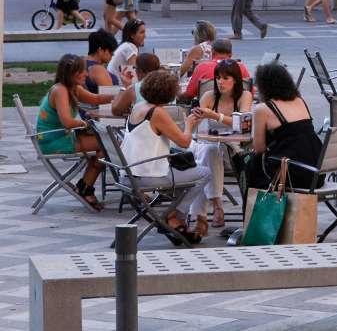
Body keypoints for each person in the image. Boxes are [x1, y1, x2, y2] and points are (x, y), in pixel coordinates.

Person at [121, 70, 211, 243]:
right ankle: (174, 215)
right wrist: (189, 124)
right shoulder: (157, 113)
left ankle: (176, 224)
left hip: (129, 173)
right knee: (204, 173)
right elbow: (184, 142)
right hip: (147, 176)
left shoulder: (139, 107)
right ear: (170, 93)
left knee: (183, 169)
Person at [36, 54, 114, 210]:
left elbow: (96, 99)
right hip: (54, 141)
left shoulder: (71, 88)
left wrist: (122, 95)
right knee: (108, 145)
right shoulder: (60, 91)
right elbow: (68, 122)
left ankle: (85, 186)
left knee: (105, 145)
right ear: (71, 74)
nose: (86, 74)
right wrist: (86, 123)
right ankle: (86, 188)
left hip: (60, 136)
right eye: (82, 71)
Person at [191, 59, 254, 228]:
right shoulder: (209, 96)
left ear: (236, 80)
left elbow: (243, 125)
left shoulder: (244, 96)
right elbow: (194, 127)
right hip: (206, 146)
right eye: (218, 77)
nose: (220, 82)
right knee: (209, 151)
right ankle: (217, 205)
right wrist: (195, 116)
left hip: (233, 151)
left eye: (226, 78)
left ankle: (201, 217)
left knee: (202, 164)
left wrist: (215, 116)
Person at [248, 63, 324, 191]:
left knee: (250, 165)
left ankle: (258, 209)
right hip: (316, 172)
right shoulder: (300, 101)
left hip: (290, 173)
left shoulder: (263, 109)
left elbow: (259, 147)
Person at [181, 38, 251, 101]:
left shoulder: (201, 67)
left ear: (212, 52)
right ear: (231, 54)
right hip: (236, 111)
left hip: (207, 111)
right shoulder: (241, 67)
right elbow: (250, 91)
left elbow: (189, 94)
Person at [84, 29, 121, 93]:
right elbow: (110, 96)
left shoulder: (82, 62)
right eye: (111, 52)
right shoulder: (98, 70)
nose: (113, 55)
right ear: (100, 50)